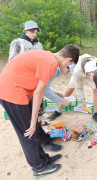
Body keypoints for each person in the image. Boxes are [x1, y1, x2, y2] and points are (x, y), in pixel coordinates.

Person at [0, 44, 79, 178]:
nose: (66, 70)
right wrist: (32, 121)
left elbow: (38, 84)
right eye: (68, 67)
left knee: (34, 127)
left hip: (19, 90)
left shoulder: (48, 56)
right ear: (69, 60)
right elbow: (38, 94)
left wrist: (34, 121)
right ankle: (38, 167)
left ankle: (43, 159)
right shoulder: (50, 63)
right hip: (12, 93)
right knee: (28, 132)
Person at [8, 20, 63, 152]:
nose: (34, 32)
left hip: (37, 83)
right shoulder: (17, 43)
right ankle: (42, 143)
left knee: (37, 112)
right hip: (23, 84)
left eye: (36, 30)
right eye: (31, 30)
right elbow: (12, 63)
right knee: (29, 116)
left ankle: (43, 137)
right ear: (25, 31)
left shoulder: (39, 44)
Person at [49, 54, 97, 124]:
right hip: (80, 73)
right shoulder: (76, 70)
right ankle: (58, 111)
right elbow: (79, 87)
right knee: (68, 92)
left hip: (92, 73)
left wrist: (93, 77)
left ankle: (95, 113)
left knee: (96, 91)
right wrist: (84, 102)